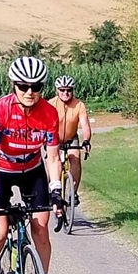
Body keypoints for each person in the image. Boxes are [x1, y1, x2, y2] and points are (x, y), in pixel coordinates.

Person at [0, 56, 63, 274]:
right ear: (13, 85)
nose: (30, 92)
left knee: (41, 229)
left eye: (36, 87)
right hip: (4, 171)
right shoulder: (1, 109)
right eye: (23, 86)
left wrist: (56, 189)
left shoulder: (49, 113)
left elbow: (53, 157)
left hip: (33, 170)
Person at [48, 75, 92, 206]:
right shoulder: (51, 104)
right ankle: (51, 191)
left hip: (71, 138)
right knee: (50, 164)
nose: (66, 93)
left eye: (69, 90)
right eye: (62, 90)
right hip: (54, 139)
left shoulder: (79, 105)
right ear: (57, 90)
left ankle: (73, 193)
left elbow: (85, 125)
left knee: (75, 158)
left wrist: (86, 140)